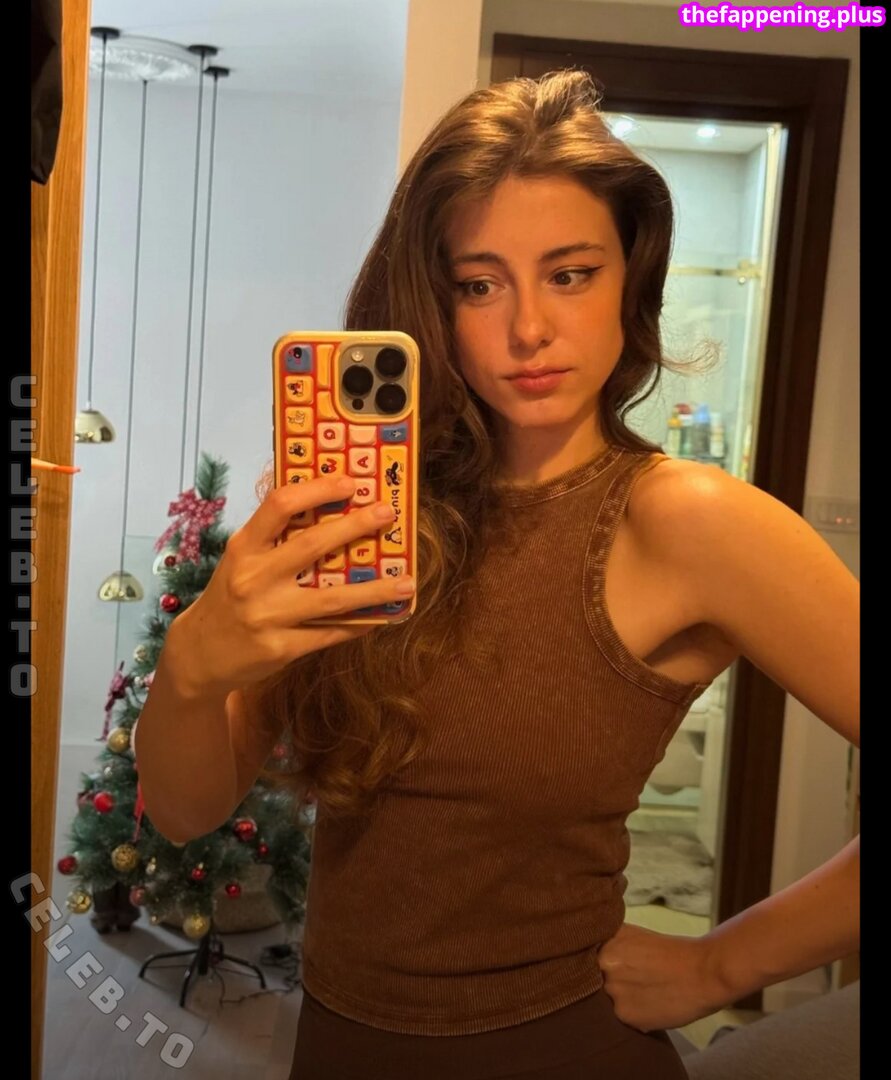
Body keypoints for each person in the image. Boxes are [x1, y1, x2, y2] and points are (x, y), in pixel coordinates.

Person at [134, 70, 860, 1079]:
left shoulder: (683, 521)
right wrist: (190, 669)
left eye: (571, 274)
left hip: (557, 1049)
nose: (527, 329)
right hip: (335, 1045)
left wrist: (721, 963)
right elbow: (184, 813)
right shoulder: (366, 512)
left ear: (631, 280)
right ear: (432, 301)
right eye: (479, 284)